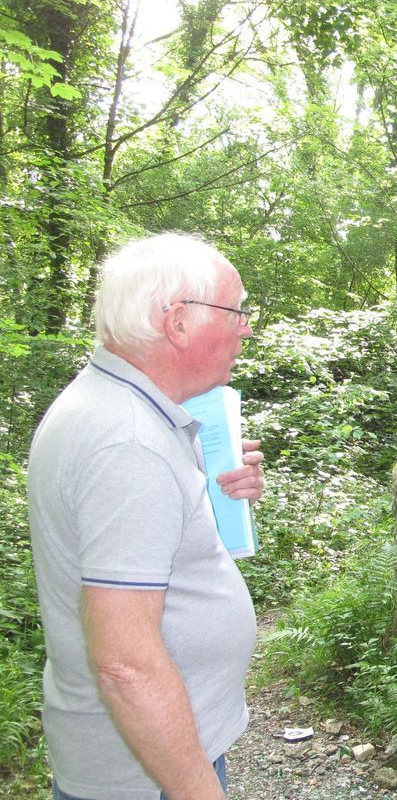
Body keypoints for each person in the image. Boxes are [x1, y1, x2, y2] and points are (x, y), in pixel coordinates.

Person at [27, 233, 265, 800]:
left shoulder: (123, 409)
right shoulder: (128, 442)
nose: (246, 328)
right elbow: (125, 664)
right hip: (148, 773)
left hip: (151, 754)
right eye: (236, 311)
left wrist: (214, 499)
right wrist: (197, 791)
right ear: (178, 323)